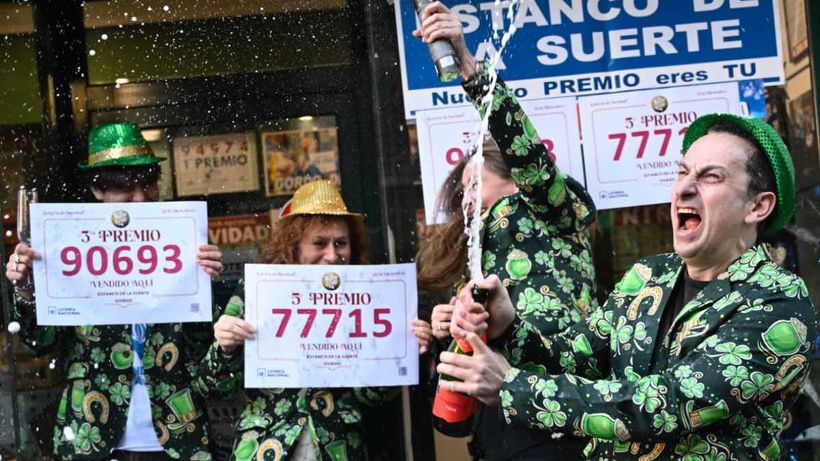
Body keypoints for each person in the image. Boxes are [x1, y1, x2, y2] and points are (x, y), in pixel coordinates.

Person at [443, 113, 816, 459]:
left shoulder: (779, 303)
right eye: (682, 172)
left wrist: (513, 388)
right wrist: (510, 327)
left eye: (711, 177)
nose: (684, 188)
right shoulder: (648, 276)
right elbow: (578, 359)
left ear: (758, 207)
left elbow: (668, 405)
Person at [413, 3, 599, 459]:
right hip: (496, 425)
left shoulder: (551, 210)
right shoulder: (481, 251)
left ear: (518, 177)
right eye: (464, 190)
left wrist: (469, 66)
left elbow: (524, 146)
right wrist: (450, 327)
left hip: (562, 411)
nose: (469, 197)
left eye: (477, 182)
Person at [5, 122, 224, 461]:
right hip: (91, 435)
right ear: (98, 190)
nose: (140, 197)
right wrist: (28, 291)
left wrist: (206, 286)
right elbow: (41, 341)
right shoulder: (67, 246)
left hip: (178, 436)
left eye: (148, 182)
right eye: (125, 186)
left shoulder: (183, 242)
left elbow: (204, 350)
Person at [202, 180, 400, 461]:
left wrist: (393, 351)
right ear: (293, 246)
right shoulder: (259, 291)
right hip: (266, 446)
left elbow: (372, 396)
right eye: (319, 243)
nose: (332, 256)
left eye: (340, 243)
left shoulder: (363, 299)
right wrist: (225, 348)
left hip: (338, 447)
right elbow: (212, 387)